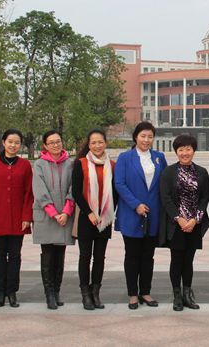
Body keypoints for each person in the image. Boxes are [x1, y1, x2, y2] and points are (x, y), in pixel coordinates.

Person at [115, 122, 167, 309]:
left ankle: (145, 291)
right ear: (135, 137)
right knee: (132, 255)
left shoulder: (159, 157)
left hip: (153, 215)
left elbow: (164, 184)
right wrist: (135, 204)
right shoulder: (125, 158)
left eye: (150, 137)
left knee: (148, 256)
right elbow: (119, 184)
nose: (146, 140)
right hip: (131, 213)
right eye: (143, 136)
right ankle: (132, 294)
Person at [0, 129, 34, 308]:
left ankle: (12, 291)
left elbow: (29, 193)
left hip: (18, 219)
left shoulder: (25, 165)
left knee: (15, 255)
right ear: (3, 143)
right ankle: (0, 291)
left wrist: (27, 216)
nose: (13, 145)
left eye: (17, 142)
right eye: (10, 141)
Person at [159, 135, 209, 311]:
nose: (185, 153)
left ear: (193, 150)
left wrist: (195, 219)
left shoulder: (202, 172)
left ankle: (187, 295)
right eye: (181, 149)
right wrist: (179, 218)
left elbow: (204, 198)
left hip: (194, 224)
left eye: (188, 149)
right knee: (176, 260)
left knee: (189, 260)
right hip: (176, 225)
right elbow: (165, 198)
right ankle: (177, 296)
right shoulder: (168, 172)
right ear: (176, 152)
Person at [72, 129, 117, 310]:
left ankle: (96, 293)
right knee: (85, 256)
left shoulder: (112, 165)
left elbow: (115, 192)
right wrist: (89, 212)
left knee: (99, 257)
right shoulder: (81, 163)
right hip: (86, 218)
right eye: (93, 143)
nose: (97, 145)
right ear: (88, 145)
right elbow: (76, 192)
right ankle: (85, 294)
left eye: (100, 142)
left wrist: (108, 212)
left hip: (104, 218)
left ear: (105, 143)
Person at [32, 130, 75, 309]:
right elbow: (39, 191)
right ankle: (49, 293)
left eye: (58, 141)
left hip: (65, 215)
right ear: (45, 146)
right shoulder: (39, 164)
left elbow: (73, 188)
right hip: (47, 216)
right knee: (48, 255)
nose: (56, 145)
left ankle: (56, 291)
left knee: (60, 255)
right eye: (51, 142)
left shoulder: (70, 164)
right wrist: (54, 213)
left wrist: (66, 212)